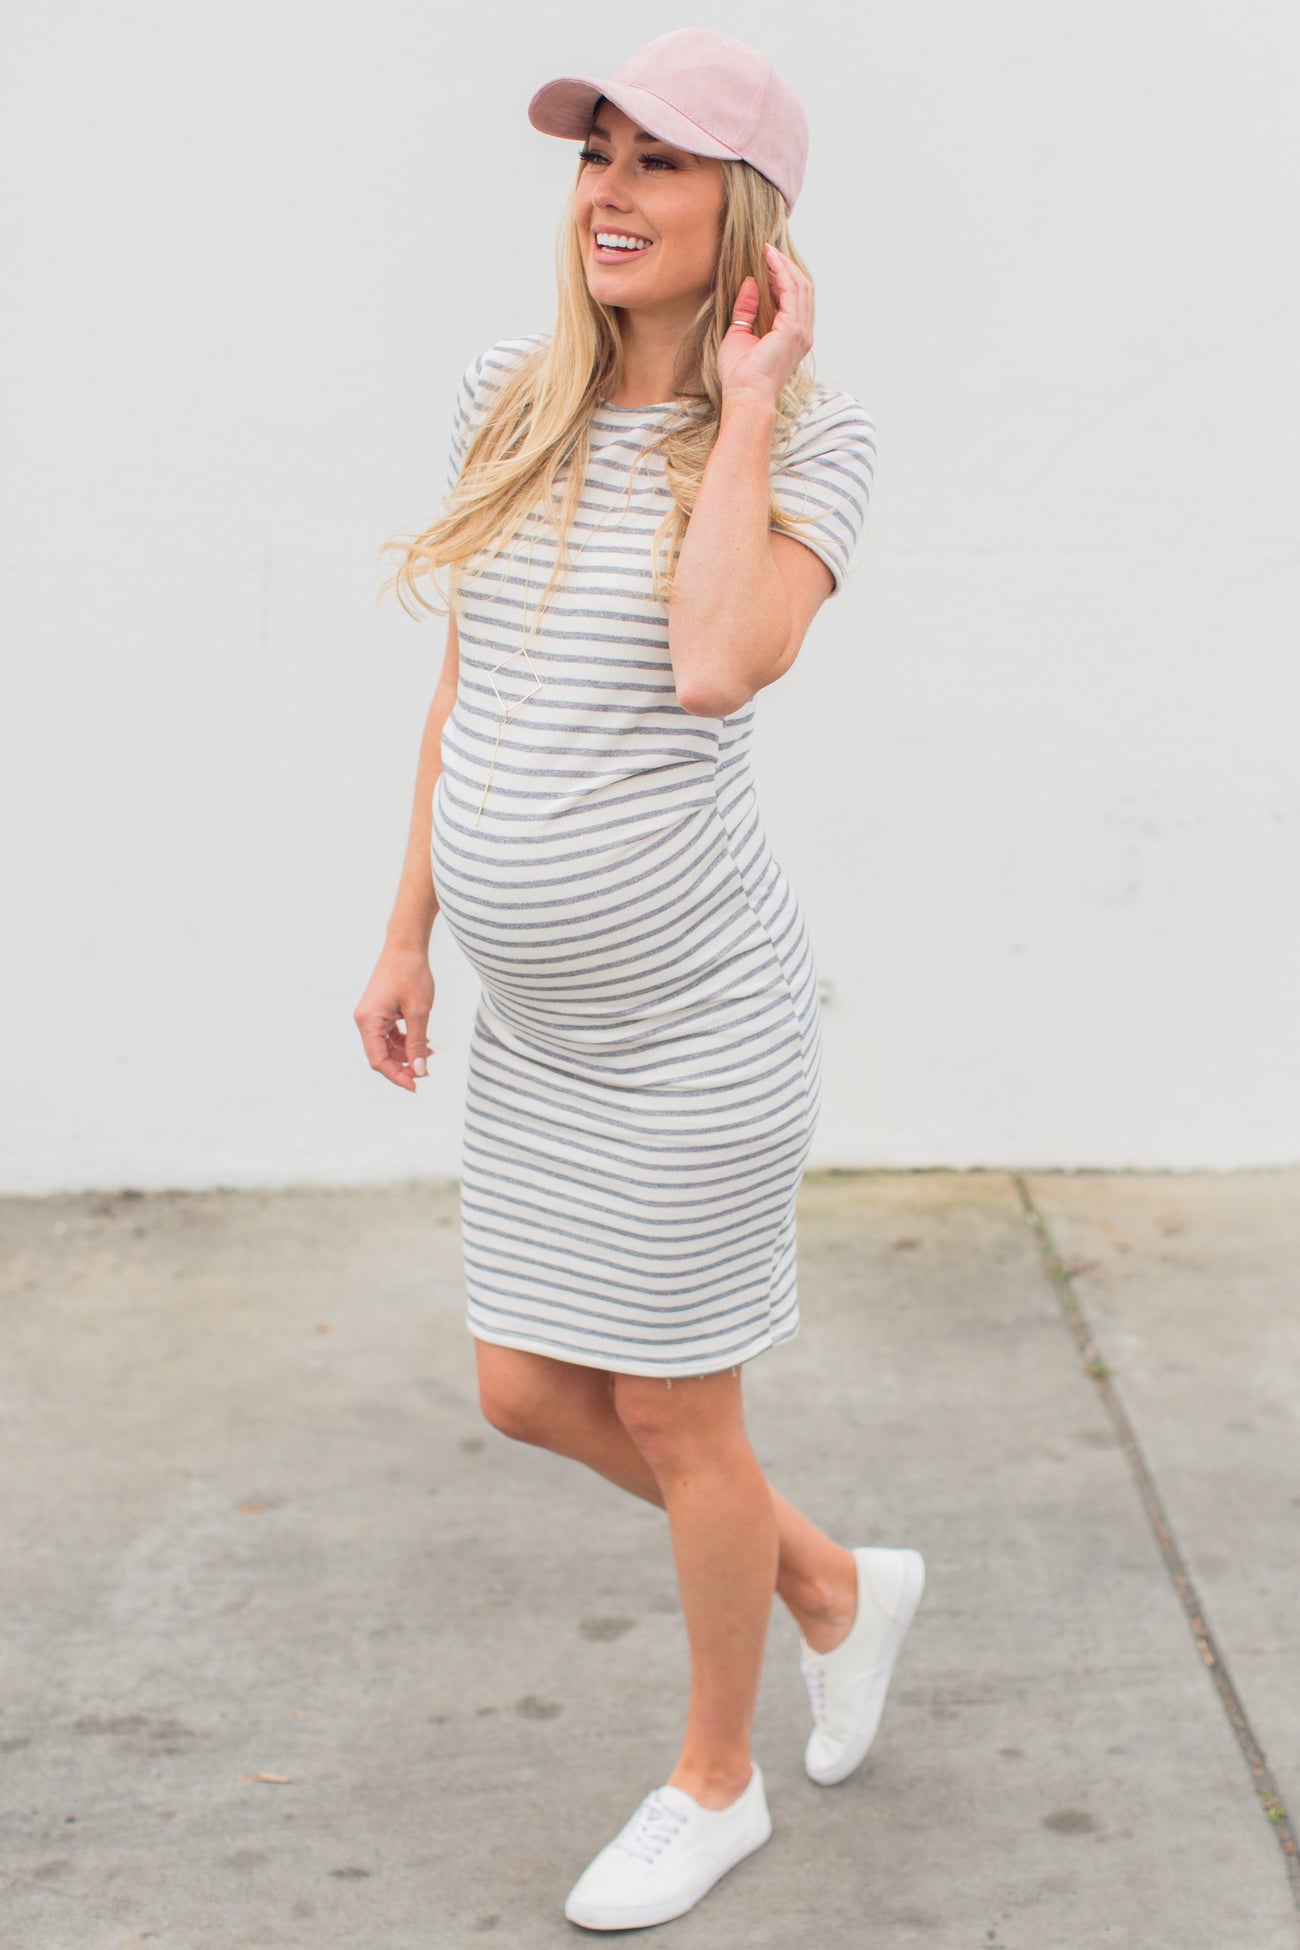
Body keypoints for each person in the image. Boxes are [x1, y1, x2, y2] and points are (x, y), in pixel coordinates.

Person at [355, 27, 925, 1933]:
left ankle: (715, 1778)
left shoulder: (817, 443)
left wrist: (741, 405)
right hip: (541, 1033)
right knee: (528, 1388)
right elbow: (469, 685)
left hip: (697, 1029)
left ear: (740, 211)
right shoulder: (504, 398)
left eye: (657, 161)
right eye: (594, 154)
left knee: (684, 1417)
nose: (607, 190)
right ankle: (832, 1582)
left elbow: (712, 662)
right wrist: (409, 926)